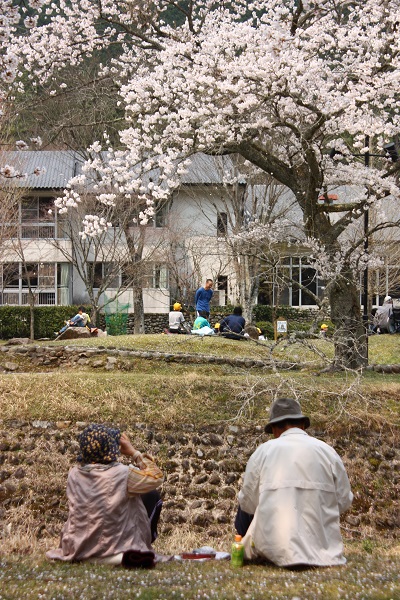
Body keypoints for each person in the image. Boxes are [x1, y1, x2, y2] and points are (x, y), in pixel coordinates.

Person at [235, 397, 353, 568]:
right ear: (303, 425)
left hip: (274, 549)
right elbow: (344, 501)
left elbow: (248, 504)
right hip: (324, 551)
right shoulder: (327, 451)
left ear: (275, 429)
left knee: (246, 498)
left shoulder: (264, 451)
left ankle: (244, 547)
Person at [46, 424, 164, 564]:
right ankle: (133, 548)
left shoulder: (74, 474)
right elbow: (156, 477)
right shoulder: (123, 474)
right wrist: (134, 452)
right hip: (114, 548)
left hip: (77, 547)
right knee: (151, 495)